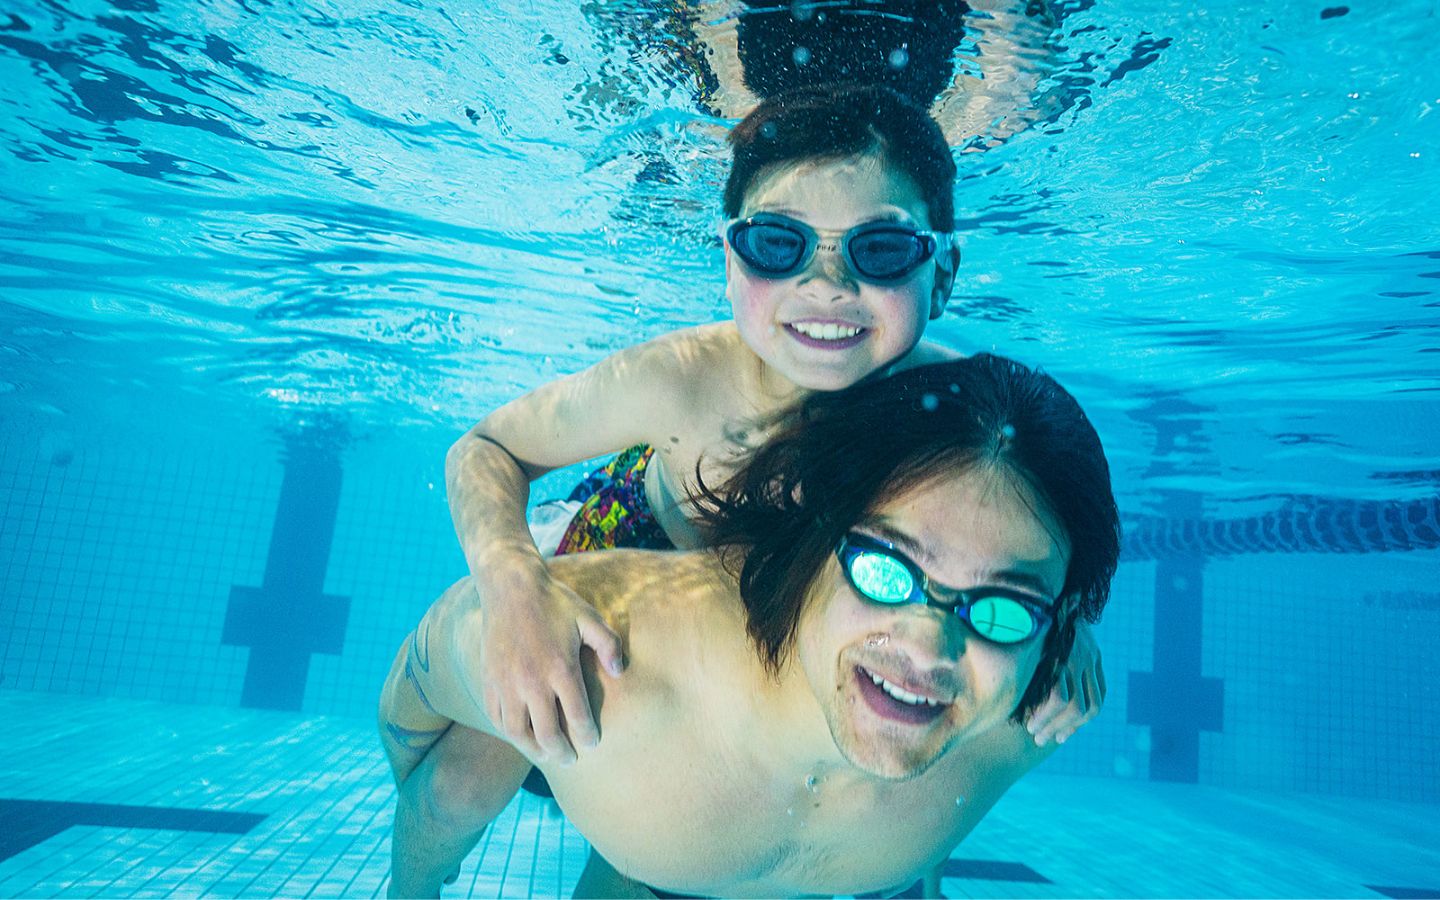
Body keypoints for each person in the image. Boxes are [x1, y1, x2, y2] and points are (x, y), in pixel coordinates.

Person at [416, 83, 1105, 888]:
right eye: (779, 244)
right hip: (636, 541)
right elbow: (487, 447)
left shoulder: (951, 414)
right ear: (729, 257)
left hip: (781, 633)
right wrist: (515, 590)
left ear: (942, 274)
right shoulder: (680, 382)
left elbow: (1033, 532)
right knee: (465, 782)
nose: (827, 288)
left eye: (879, 252)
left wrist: (1070, 627)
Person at [381, 353, 1121, 898]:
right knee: (460, 786)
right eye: (886, 570)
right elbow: (409, 708)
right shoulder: (604, 646)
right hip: (627, 527)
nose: (929, 647)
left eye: (1001, 609)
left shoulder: (1029, 717)